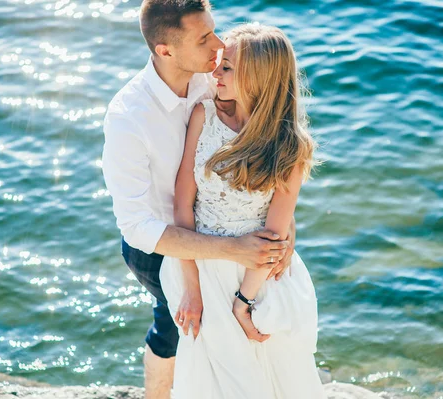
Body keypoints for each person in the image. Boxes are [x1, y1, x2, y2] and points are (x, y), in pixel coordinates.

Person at [101, 1, 297, 398]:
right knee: (177, 326)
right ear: (165, 50)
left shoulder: (214, 80)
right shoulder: (128, 118)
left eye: (215, 30)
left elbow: (263, 157)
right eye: (204, 37)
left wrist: (285, 227)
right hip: (160, 247)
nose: (220, 44)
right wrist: (229, 254)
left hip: (229, 239)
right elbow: (138, 228)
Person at [159, 24, 326, 398]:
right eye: (219, 63)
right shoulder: (204, 116)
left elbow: (276, 233)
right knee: (211, 378)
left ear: (258, 77)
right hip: (200, 263)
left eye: (227, 67)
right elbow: (182, 204)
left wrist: (244, 303)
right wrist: (193, 288)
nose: (214, 73)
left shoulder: (291, 148)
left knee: (267, 378)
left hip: (259, 276)